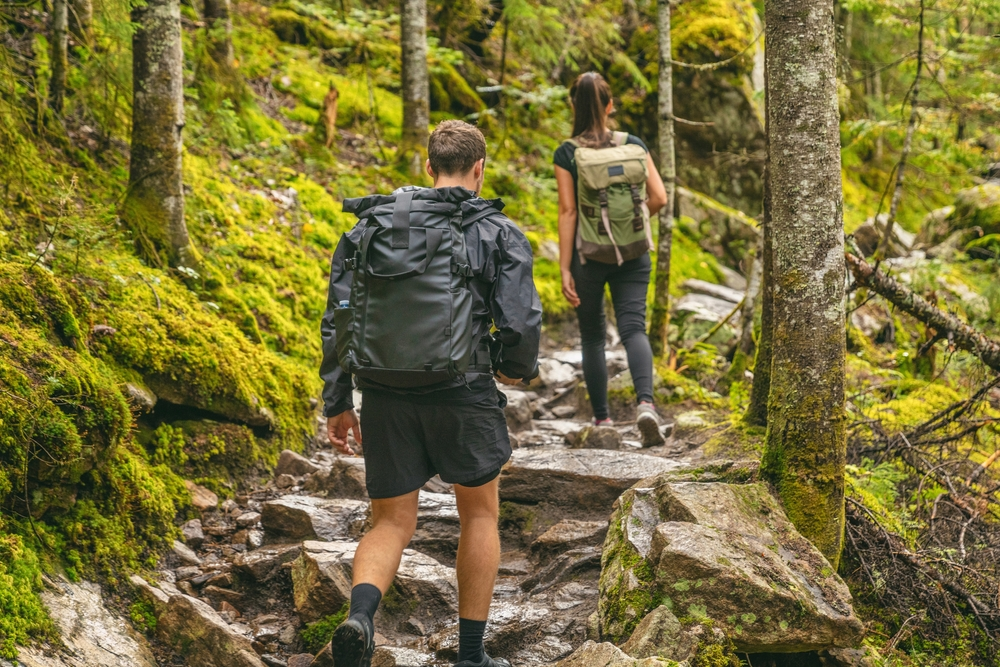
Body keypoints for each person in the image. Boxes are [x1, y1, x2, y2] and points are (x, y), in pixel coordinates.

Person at [320, 120, 542, 667]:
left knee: (390, 520)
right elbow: (520, 319)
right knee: (480, 515)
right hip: (462, 389)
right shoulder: (498, 231)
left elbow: (339, 318)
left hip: (385, 390)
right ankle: (471, 656)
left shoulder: (369, 228)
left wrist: (338, 401)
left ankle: (360, 618)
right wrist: (514, 368)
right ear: (479, 169)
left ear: (427, 168)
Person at [554, 71, 669, 447]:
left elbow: (569, 212)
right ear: (610, 105)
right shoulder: (633, 144)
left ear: (573, 105)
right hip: (634, 252)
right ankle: (646, 405)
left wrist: (564, 266)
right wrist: (626, 228)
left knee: (592, 336)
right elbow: (659, 198)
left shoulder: (568, 153)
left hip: (588, 256)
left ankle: (602, 420)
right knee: (633, 328)